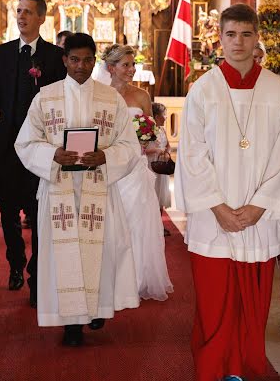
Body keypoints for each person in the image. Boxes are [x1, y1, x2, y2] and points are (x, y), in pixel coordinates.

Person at [175, 3, 280, 381]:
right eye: (231, 34)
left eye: (246, 34)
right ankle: (214, 369)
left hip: (260, 217)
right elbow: (191, 154)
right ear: (219, 39)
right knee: (214, 302)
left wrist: (260, 205)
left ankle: (248, 368)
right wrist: (218, 206)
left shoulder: (277, 89)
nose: (238, 42)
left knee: (253, 305)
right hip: (213, 218)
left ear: (258, 39)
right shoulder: (202, 90)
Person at [15, 33, 140, 347]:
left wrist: (106, 157)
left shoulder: (111, 99)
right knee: (64, 255)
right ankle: (71, 323)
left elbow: (129, 144)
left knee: (101, 249)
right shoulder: (45, 97)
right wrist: (53, 155)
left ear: (94, 60)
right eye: (74, 59)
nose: (81, 66)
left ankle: (96, 309)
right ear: (64, 60)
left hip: (99, 186)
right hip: (60, 189)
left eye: (87, 59)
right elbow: (26, 142)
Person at [0, 0, 66, 308]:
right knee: (7, 210)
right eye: (18, 11)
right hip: (7, 147)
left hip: (42, 149)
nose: (21, 17)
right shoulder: (1, 53)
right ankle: (16, 263)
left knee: (38, 212)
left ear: (41, 18)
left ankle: (36, 274)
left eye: (28, 12)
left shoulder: (55, 57)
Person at [103, 44, 173, 299]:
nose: (132, 69)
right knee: (112, 222)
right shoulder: (100, 95)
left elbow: (152, 135)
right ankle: (111, 276)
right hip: (110, 167)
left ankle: (137, 277)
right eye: (126, 65)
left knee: (138, 222)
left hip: (136, 169)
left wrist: (146, 143)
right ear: (111, 68)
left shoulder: (142, 96)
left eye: (133, 65)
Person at [145, 102, 172, 237]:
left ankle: (160, 225)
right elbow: (143, 150)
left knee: (161, 195)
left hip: (162, 167)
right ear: (156, 116)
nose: (165, 117)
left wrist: (167, 152)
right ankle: (151, 227)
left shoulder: (162, 130)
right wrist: (157, 150)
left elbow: (168, 145)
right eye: (163, 115)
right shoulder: (148, 130)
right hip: (151, 166)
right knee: (152, 196)